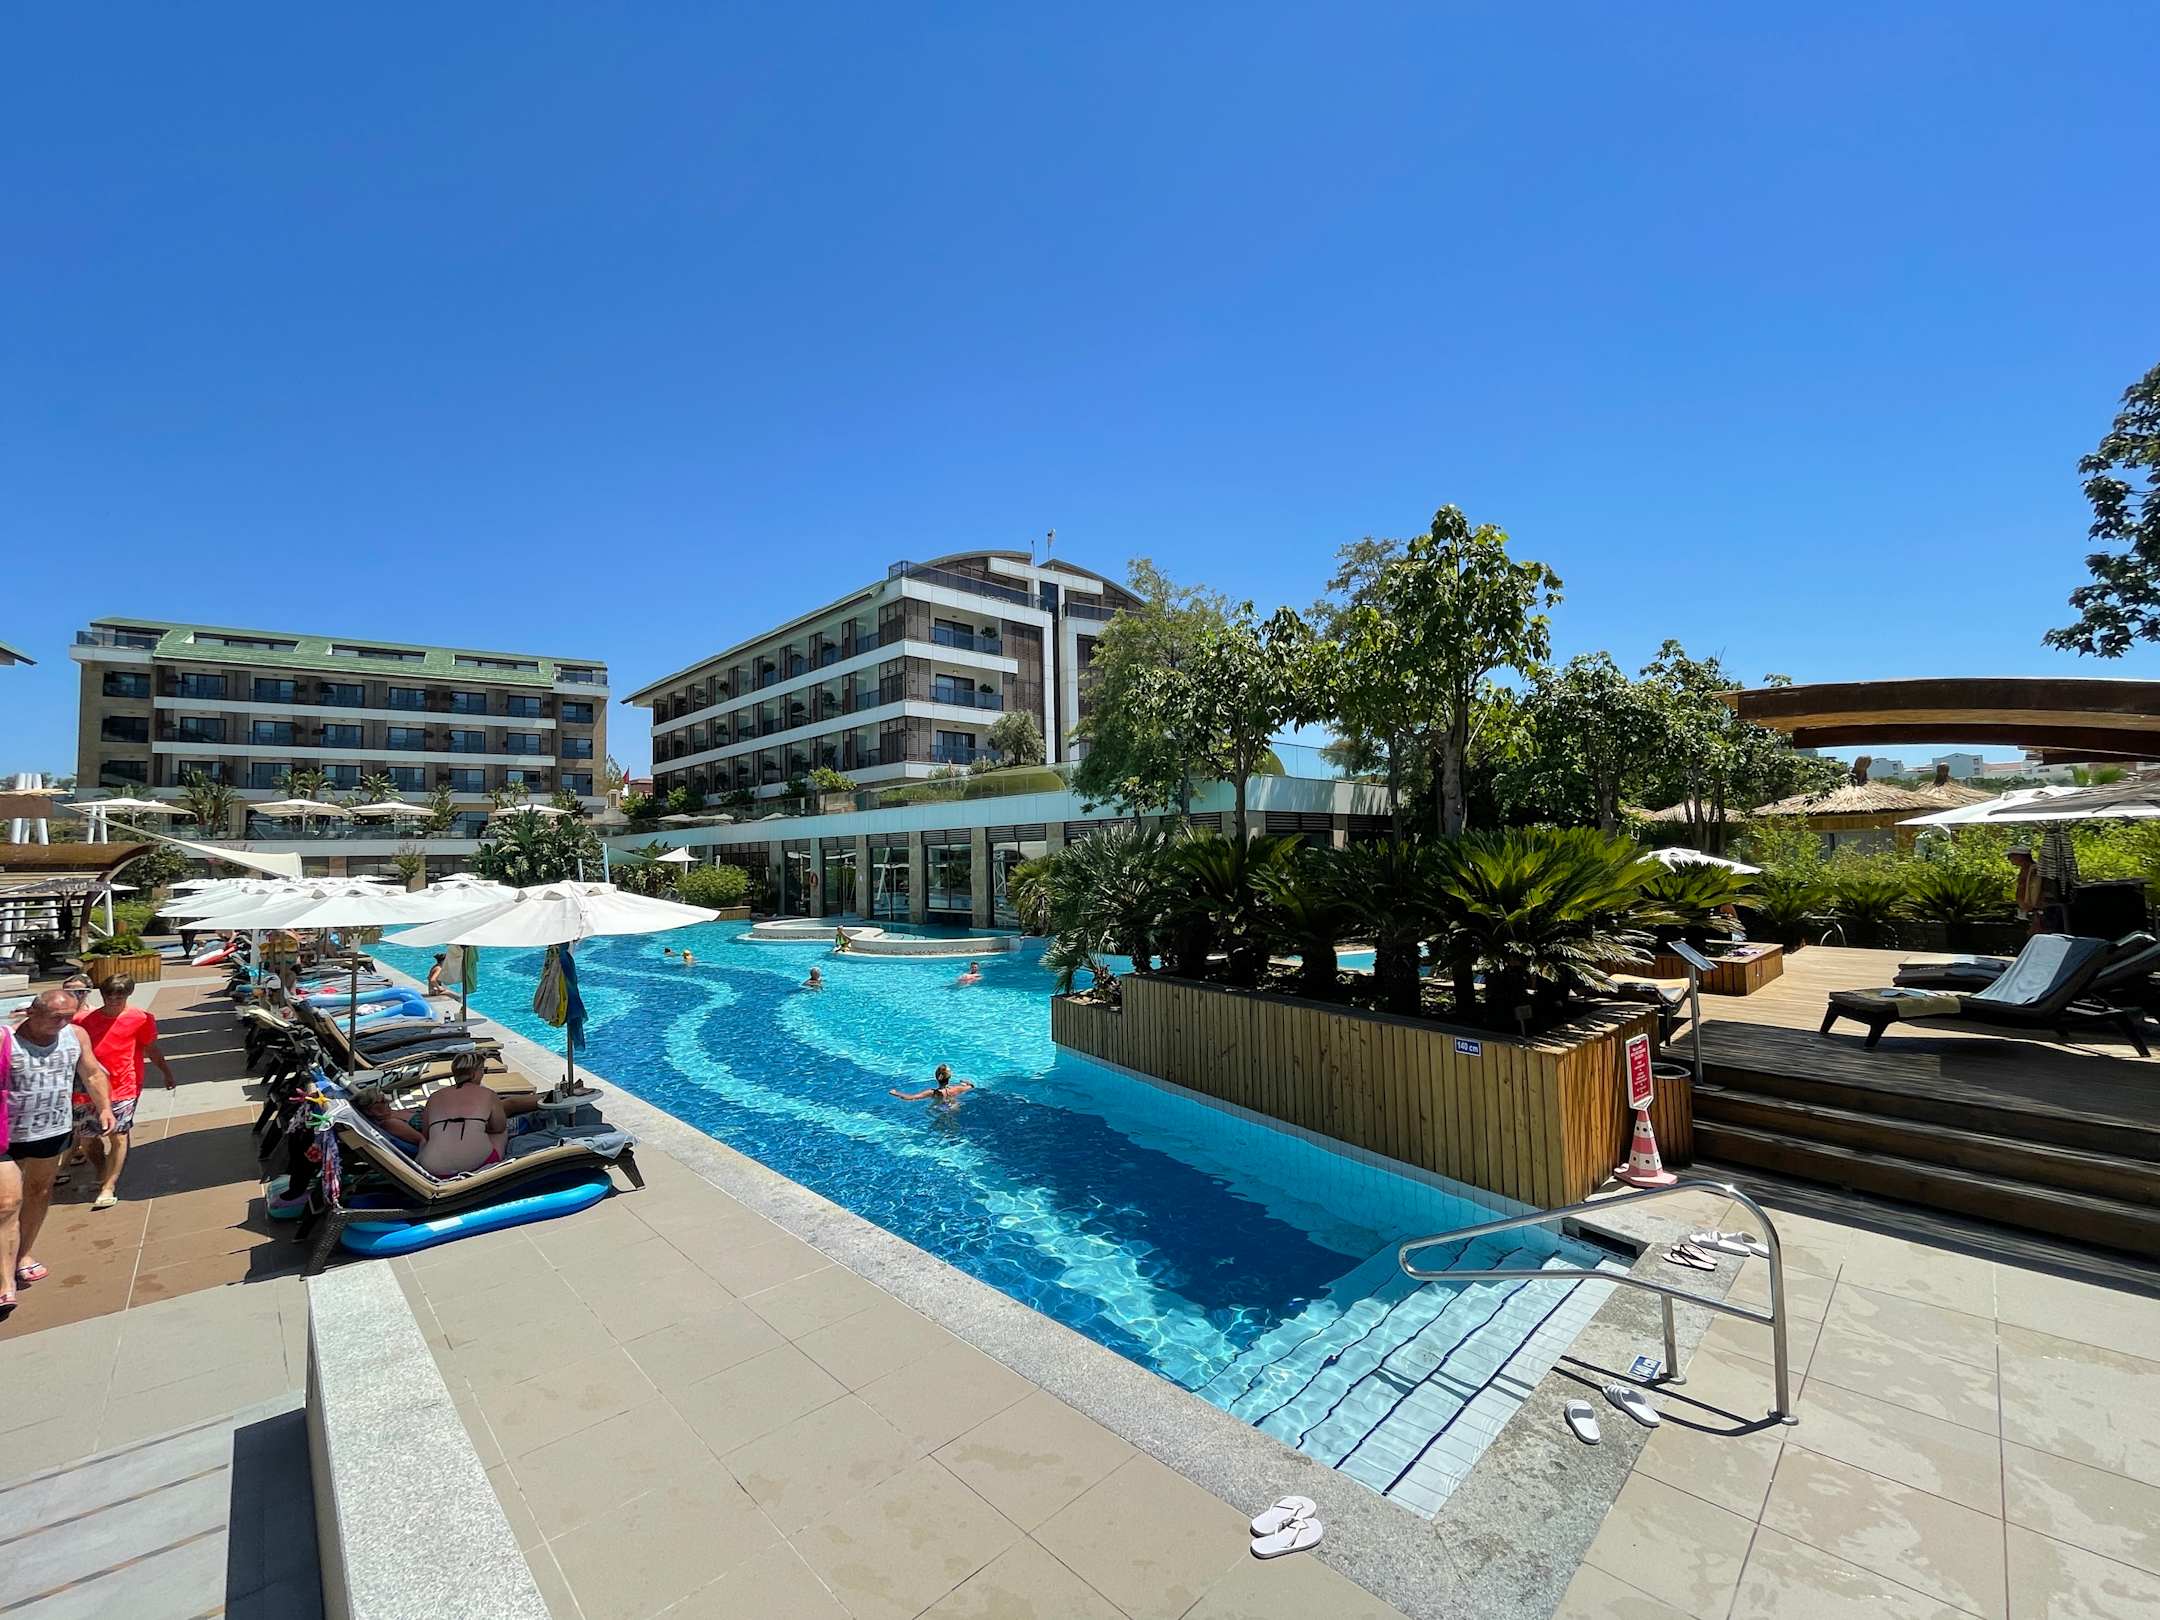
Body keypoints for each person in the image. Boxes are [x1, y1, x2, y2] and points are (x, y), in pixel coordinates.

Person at [5, 990, 113, 1298]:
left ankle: (22, 1254)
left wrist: (104, 1107)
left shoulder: (75, 1035)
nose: (63, 1023)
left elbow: (92, 1073)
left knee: (39, 1191)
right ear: (32, 1013)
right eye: (56, 1017)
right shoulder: (7, 1039)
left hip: (52, 1129)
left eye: (68, 1016)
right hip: (7, 1134)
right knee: (7, 1202)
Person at [71, 974, 177, 1210]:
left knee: (118, 1134)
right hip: (88, 1087)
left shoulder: (141, 1018)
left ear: (128, 994)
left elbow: (151, 1048)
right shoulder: (83, 1021)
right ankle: (102, 1170)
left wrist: (166, 1072)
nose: (113, 1000)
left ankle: (109, 1186)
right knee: (88, 1140)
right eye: (108, 995)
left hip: (125, 1085)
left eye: (119, 996)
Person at [890, 1063, 974, 1104]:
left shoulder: (932, 1092)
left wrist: (895, 1093)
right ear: (950, 1077)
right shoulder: (957, 1088)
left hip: (939, 1109)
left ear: (936, 1077)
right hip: (954, 1107)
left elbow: (910, 1098)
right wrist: (965, 1082)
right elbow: (971, 1086)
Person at [2008, 845, 2047, 933]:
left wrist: (2032, 906)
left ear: (2019, 856)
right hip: (2028, 909)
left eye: (2010, 857)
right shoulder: (2024, 869)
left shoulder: (2034, 870)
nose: (2009, 860)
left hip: (2036, 909)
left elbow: (2036, 889)